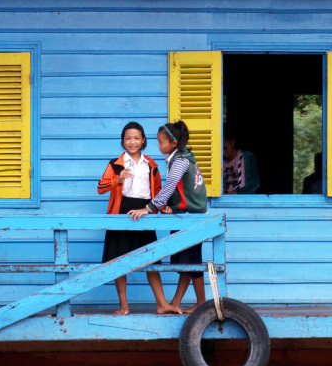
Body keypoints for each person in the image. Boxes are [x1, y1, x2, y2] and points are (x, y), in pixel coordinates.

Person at [128, 121, 208, 314]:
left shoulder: (180, 160)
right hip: (187, 214)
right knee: (190, 261)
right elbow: (182, 191)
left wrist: (149, 208)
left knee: (189, 261)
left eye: (161, 142)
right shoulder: (181, 157)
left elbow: (170, 186)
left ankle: (184, 303)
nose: (158, 146)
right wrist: (171, 207)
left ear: (173, 143)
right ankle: (187, 303)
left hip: (191, 217)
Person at [97, 122, 162, 315]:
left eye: (136, 138)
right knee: (119, 260)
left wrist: (153, 209)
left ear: (143, 141)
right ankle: (124, 305)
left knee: (151, 259)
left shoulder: (151, 165)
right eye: (128, 138)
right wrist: (117, 179)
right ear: (123, 141)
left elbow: (157, 192)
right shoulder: (115, 164)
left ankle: (161, 303)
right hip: (121, 211)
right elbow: (100, 188)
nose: (132, 142)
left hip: (144, 211)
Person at [223, 130, 260, 194]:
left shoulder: (247, 157)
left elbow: (255, 183)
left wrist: (237, 192)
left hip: (245, 201)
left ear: (232, 142)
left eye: (225, 148)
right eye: (220, 149)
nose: (223, 152)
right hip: (223, 201)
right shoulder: (219, 161)